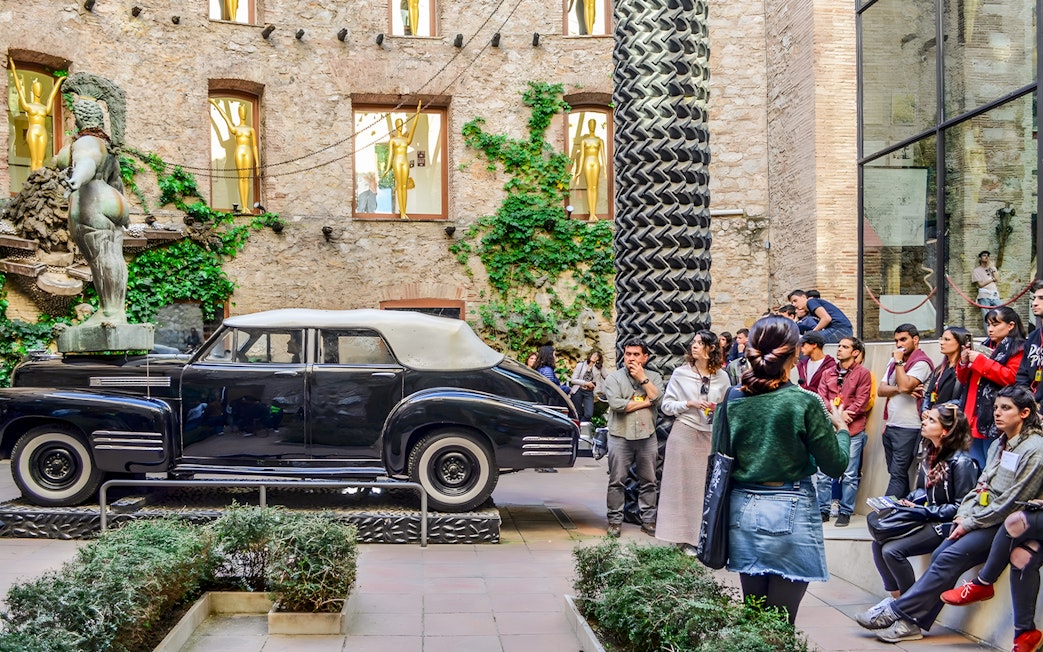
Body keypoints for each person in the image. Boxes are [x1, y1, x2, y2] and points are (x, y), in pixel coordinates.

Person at [857, 386, 1043, 643]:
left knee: (948, 557)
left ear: (1024, 413)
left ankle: (897, 611)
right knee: (940, 554)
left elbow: (1014, 501)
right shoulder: (999, 444)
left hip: (1006, 526)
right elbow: (981, 487)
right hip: (979, 517)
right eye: (996, 407)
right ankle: (912, 623)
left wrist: (970, 521)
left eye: (1005, 408)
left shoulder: (1035, 449)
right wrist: (964, 516)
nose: (997, 413)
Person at [713, 315, 850, 624]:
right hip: (790, 504)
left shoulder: (731, 399)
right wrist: (842, 430)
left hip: (741, 511)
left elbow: (718, 461)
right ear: (794, 353)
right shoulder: (803, 402)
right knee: (781, 623)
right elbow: (835, 464)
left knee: (755, 619)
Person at [869, 405, 977, 600]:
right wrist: (906, 501)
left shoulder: (962, 462)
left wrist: (922, 511)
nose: (924, 422)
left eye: (931, 420)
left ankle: (907, 605)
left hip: (943, 524)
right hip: (925, 516)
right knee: (878, 542)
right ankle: (896, 597)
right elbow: (922, 490)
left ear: (945, 431)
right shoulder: (930, 453)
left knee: (892, 550)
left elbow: (961, 507)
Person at [57, 99, 131, 326]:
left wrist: (75, 180)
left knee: (101, 258)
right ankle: (115, 310)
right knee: (113, 257)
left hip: (92, 201)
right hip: (111, 200)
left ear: (80, 118)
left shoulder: (87, 142)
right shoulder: (108, 149)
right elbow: (116, 182)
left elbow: (86, 162)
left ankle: (109, 313)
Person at [656, 331, 730, 553]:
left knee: (704, 489)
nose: (694, 346)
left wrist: (718, 408)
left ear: (711, 349)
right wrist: (688, 403)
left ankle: (702, 537)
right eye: (694, 342)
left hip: (710, 434)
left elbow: (728, 406)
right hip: (685, 432)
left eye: (700, 343)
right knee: (681, 488)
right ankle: (682, 537)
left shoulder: (723, 377)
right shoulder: (681, 373)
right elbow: (666, 406)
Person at [602, 339, 664, 538]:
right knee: (616, 480)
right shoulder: (613, 378)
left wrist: (643, 379)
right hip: (620, 435)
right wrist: (645, 403)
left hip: (647, 437)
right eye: (628, 354)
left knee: (649, 481)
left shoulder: (654, 377)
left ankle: (648, 521)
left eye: (636, 354)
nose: (631, 358)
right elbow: (616, 404)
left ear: (645, 357)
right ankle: (614, 521)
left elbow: (659, 399)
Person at [957, 306, 1025, 470]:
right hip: (972, 413)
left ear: (1011, 325)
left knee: (991, 466)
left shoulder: (1019, 347)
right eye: (988, 325)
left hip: (994, 415)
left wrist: (980, 361)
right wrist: (963, 362)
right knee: (973, 466)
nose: (990, 329)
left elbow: (1010, 377)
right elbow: (964, 379)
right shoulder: (985, 344)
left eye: (995, 324)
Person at [878, 324, 934, 497]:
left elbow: (904, 384)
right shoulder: (895, 360)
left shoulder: (922, 362)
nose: (899, 344)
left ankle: (885, 515)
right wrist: (899, 389)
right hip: (891, 425)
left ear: (915, 340)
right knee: (897, 473)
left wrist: (899, 365)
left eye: (903, 339)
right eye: (896, 341)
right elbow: (881, 390)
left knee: (897, 473)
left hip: (910, 427)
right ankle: (901, 515)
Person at [825, 336, 874, 527]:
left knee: (850, 473)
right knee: (823, 473)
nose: (839, 349)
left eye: (845, 347)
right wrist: (834, 416)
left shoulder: (863, 374)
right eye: (838, 346)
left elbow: (862, 399)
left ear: (855, 352)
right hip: (829, 428)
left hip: (853, 428)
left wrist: (845, 416)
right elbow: (823, 396)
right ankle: (824, 509)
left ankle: (845, 511)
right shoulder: (828, 373)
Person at [8, 58, 64, 172]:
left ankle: (40, 180)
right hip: (33, 130)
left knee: (41, 160)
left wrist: (59, 80)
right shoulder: (29, 106)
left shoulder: (45, 108)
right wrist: (13, 69)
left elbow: (52, 96)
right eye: (36, 88)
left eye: (40, 89)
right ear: (33, 90)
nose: (38, 91)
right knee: (34, 159)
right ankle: (33, 181)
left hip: (42, 131)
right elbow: (19, 89)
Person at [209, 99, 260, 211]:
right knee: (240, 178)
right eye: (241, 111)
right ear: (238, 113)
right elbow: (225, 117)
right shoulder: (235, 128)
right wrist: (215, 104)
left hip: (248, 152)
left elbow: (255, 146)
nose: (243, 113)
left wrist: (257, 163)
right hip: (239, 151)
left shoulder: (251, 129)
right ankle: (243, 206)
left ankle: (246, 206)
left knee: (246, 178)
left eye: (244, 111)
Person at [382, 102, 422, 220]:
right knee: (399, 185)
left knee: (404, 186)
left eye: (401, 124)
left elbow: (413, 128)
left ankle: (404, 212)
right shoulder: (393, 140)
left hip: (405, 161)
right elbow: (390, 155)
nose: (400, 126)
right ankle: (402, 213)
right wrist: (387, 169)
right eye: (398, 124)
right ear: (396, 126)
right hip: (396, 161)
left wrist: (418, 113)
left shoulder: (406, 140)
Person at [921, 326, 971, 412]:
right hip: (934, 417)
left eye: (947, 340)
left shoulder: (965, 369)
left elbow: (963, 399)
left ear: (960, 342)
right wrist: (925, 410)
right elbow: (928, 394)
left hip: (950, 418)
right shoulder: (939, 369)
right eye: (941, 339)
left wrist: (937, 410)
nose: (941, 342)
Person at [570, 118, 605, 220]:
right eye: (590, 124)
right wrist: (579, 171)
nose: (592, 126)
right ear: (588, 126)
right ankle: (591, 215)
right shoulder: (584, 141)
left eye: (593, 124)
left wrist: (606, 170)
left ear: (595, 126)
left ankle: (594, 213)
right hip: (587, 162)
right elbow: (581, 156)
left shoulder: (600, 140)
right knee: (590, 187)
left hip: (596, 162)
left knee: (595, 187)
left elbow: (603, 155)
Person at [1015, 280, 1043, 405]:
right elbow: (1022, 375)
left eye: (1041, 298)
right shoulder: (1033, 337)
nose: (1035, 303)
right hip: (1030, 405)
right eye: (1034, 298)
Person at [788, 290, 853, 343]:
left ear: (803, 297)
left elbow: (826, 318)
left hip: (840, 330)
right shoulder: (810, 308)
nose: (794, 304)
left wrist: (812, 333)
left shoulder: (811, 302)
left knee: (805, 341)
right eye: (792, 303)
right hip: (842, 330)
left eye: (795, 300)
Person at [570, 350, 607, 422]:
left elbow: (607, 377)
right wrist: (585, 383)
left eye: (597, 357)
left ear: (598, 359)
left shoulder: (599, 368)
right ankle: (579, 431)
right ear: (590, 355)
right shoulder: (581, 365)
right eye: (594, 355)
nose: (595, 357)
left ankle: (580, 426)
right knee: (578, 413)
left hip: (589, 392)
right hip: (578, 391)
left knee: (589, 414)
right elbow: (573, 380)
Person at [972, 251, 1001, 324]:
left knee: (1002, 311)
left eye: (988, 256)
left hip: (994, 295)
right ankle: (989, 334)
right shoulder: (976, 271)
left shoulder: (992, 268)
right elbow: (980, 284)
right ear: (980, 258)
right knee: (986, 316)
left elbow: (997, 279)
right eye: (984, 256)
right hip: (984, 295)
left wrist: (992, 269)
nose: (986, 257)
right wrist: (992, 279)